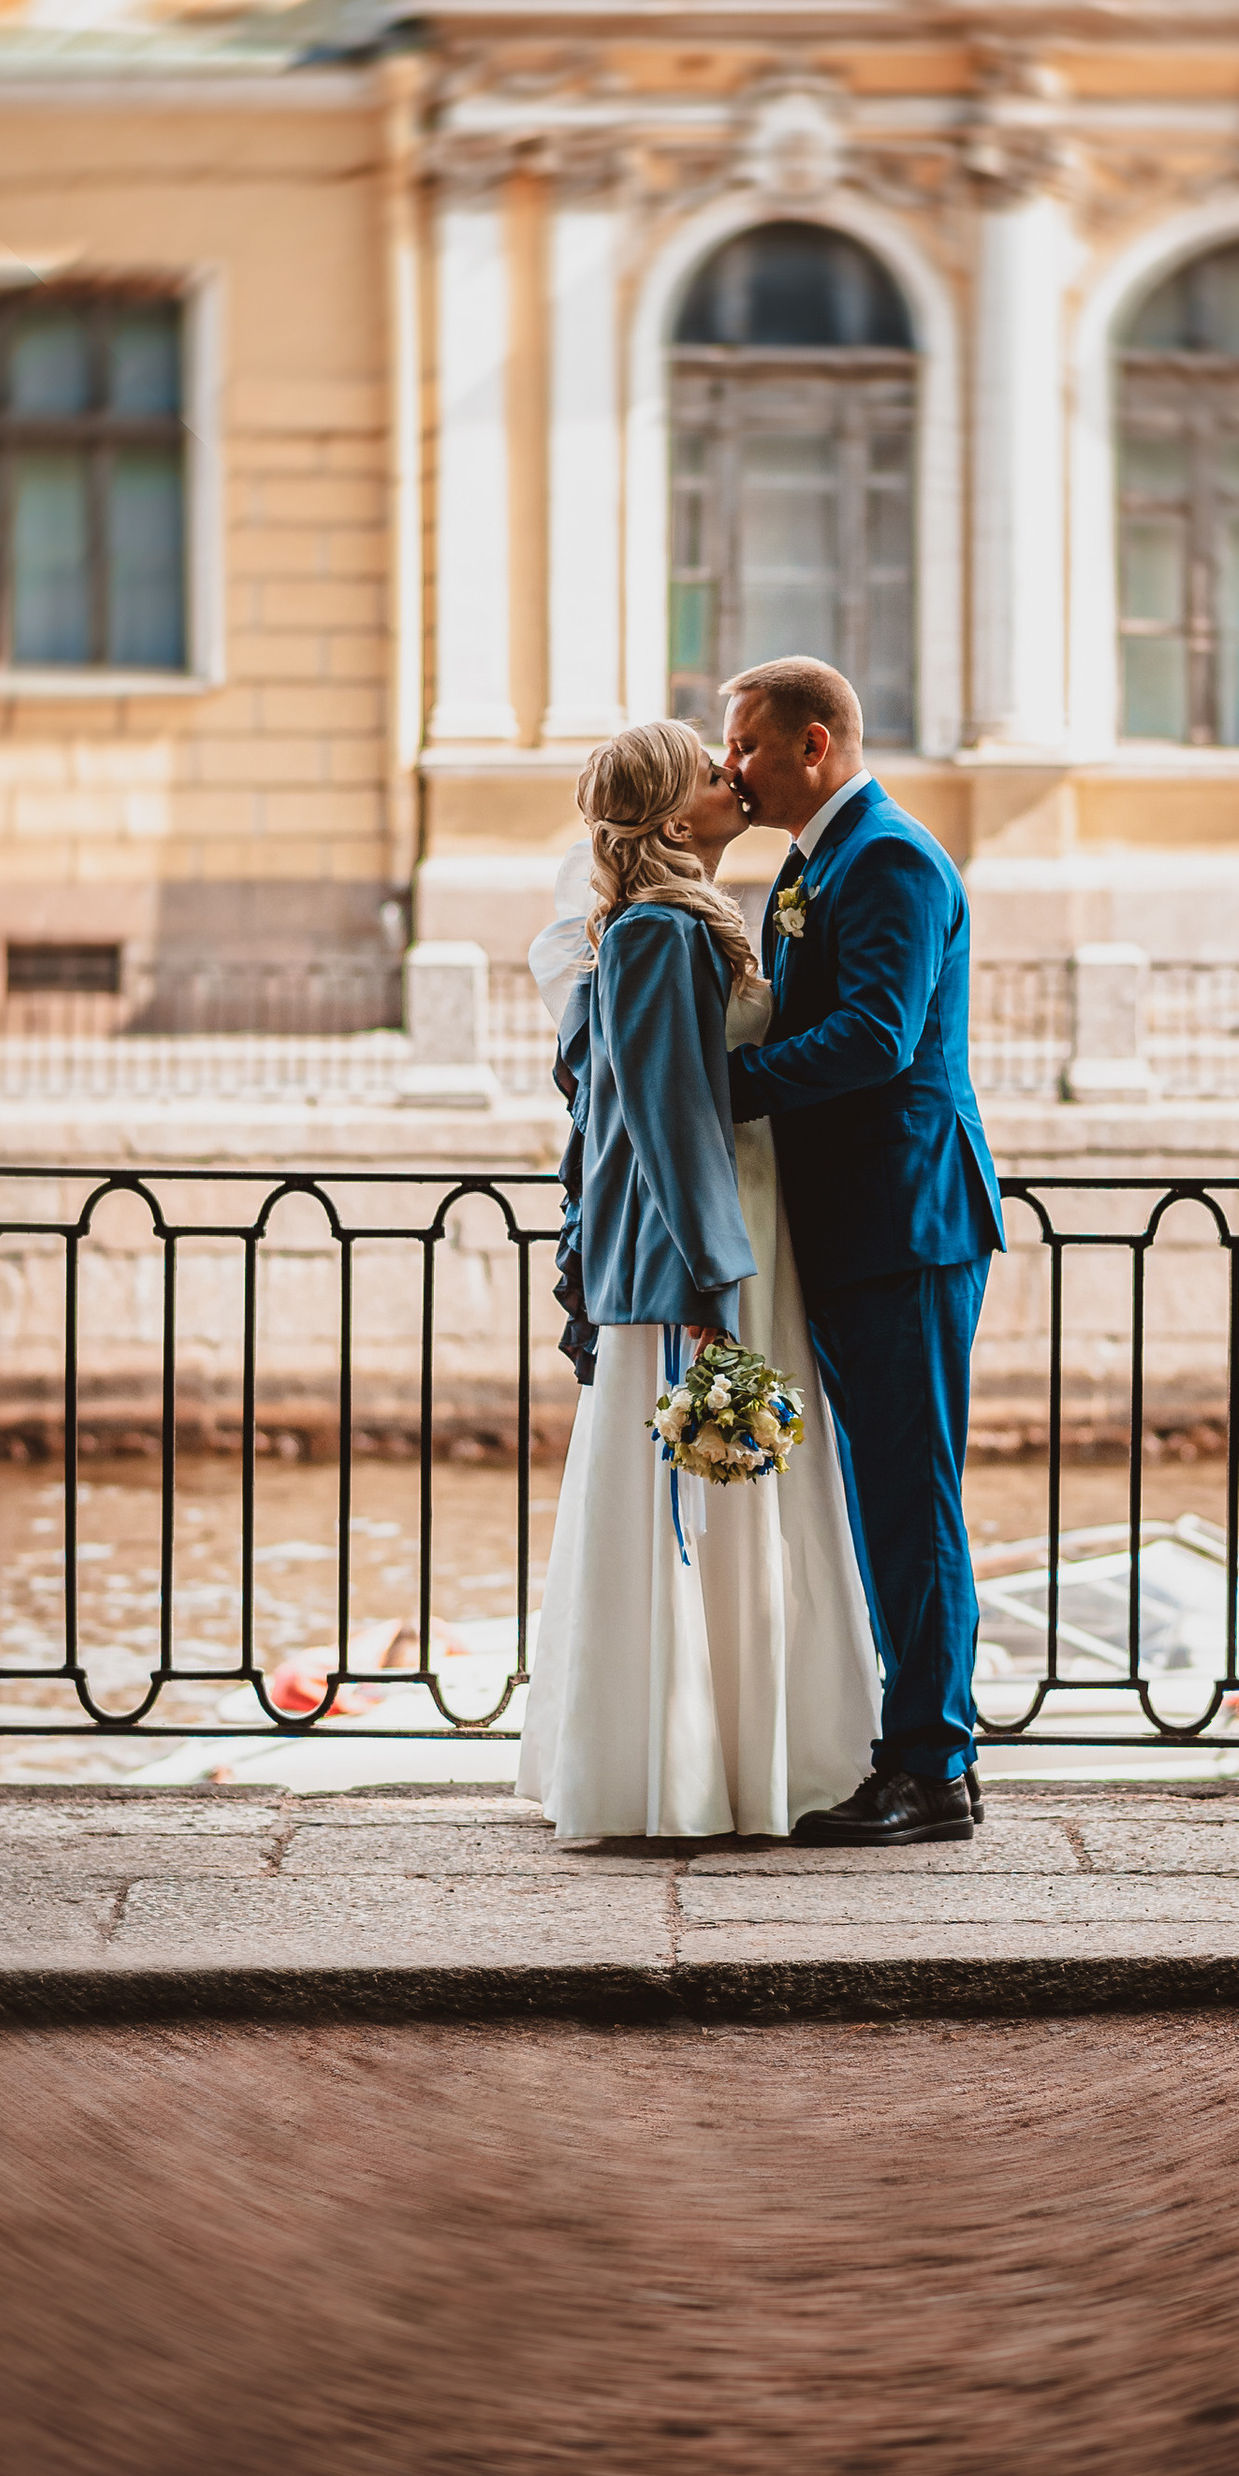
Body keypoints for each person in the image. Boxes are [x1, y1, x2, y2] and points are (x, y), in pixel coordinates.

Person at [516, 720, 881, 1842]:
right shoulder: (663, 934)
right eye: (713, 773)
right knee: (706, 1500)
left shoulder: (654, 926)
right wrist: (717, 1289)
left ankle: (688, 1758)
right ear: (678, 819)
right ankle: (700, 1769)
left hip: (717, 1237)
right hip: (700, 1255)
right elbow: (676, 1124)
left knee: (708, 1502)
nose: (735, 780)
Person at [720, 657, 1006, 1849]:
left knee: (910, 1496)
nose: (730, 767)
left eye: (745, 745)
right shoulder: (816, 860)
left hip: (905, 1221)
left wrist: (721, 1087)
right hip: (862, 1223)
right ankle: (918, 1749)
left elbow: (876, 1038)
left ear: (815, 745)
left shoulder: (883, 857)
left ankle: (933, 1767)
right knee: (888, 1495)